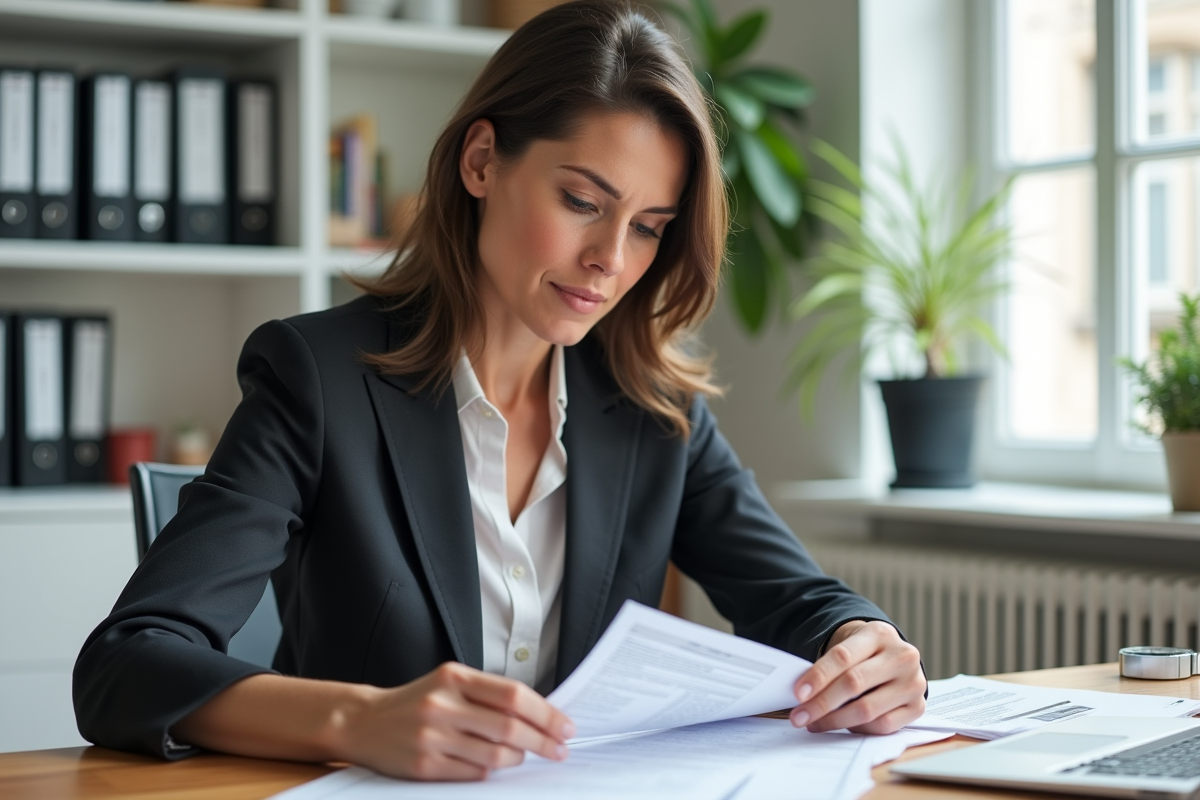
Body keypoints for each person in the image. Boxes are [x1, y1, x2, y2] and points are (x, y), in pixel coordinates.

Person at [73, 0, 926, 782]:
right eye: (582, 201)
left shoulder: (652, 410)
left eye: (648, 230)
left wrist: (865, 644)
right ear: (482, 161)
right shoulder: (318, 378)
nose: (612, 260)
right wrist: (358, 719)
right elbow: (129, 663)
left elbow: (800, 600)